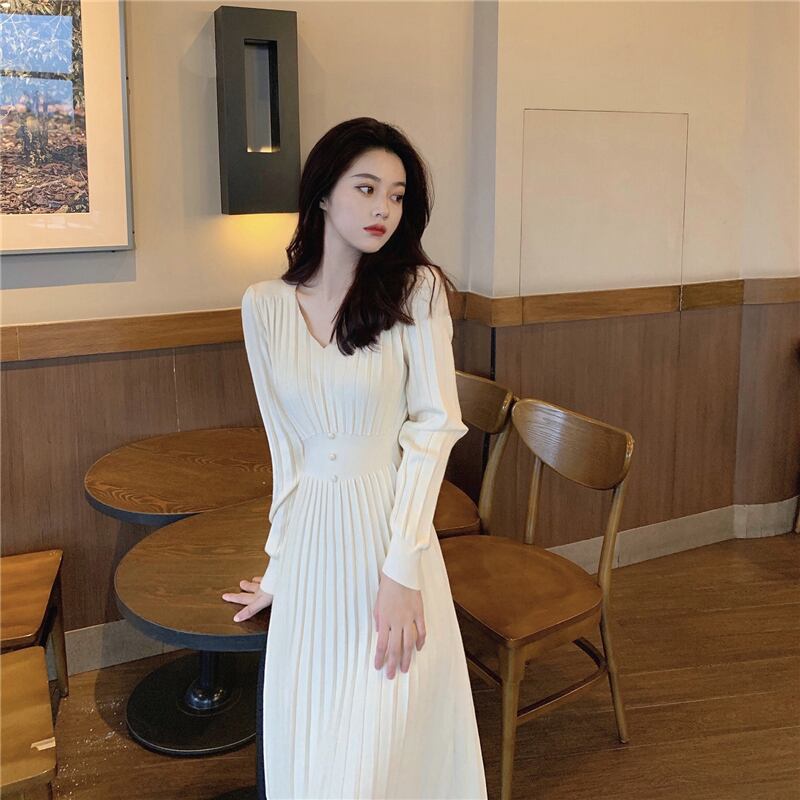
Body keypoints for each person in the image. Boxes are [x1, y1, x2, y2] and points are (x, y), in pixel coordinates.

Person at [221, 117, 487, 799]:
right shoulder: (264, 307)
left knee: (381, 749)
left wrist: (402, 570)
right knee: (313, 740)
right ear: (322, 193)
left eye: (396, 195)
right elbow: (288, 451)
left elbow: (434, 427)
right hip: (313, 545)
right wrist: (279, 565)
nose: (383, 209)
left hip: (388, 534)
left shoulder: (416, 291)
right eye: (366, 188)